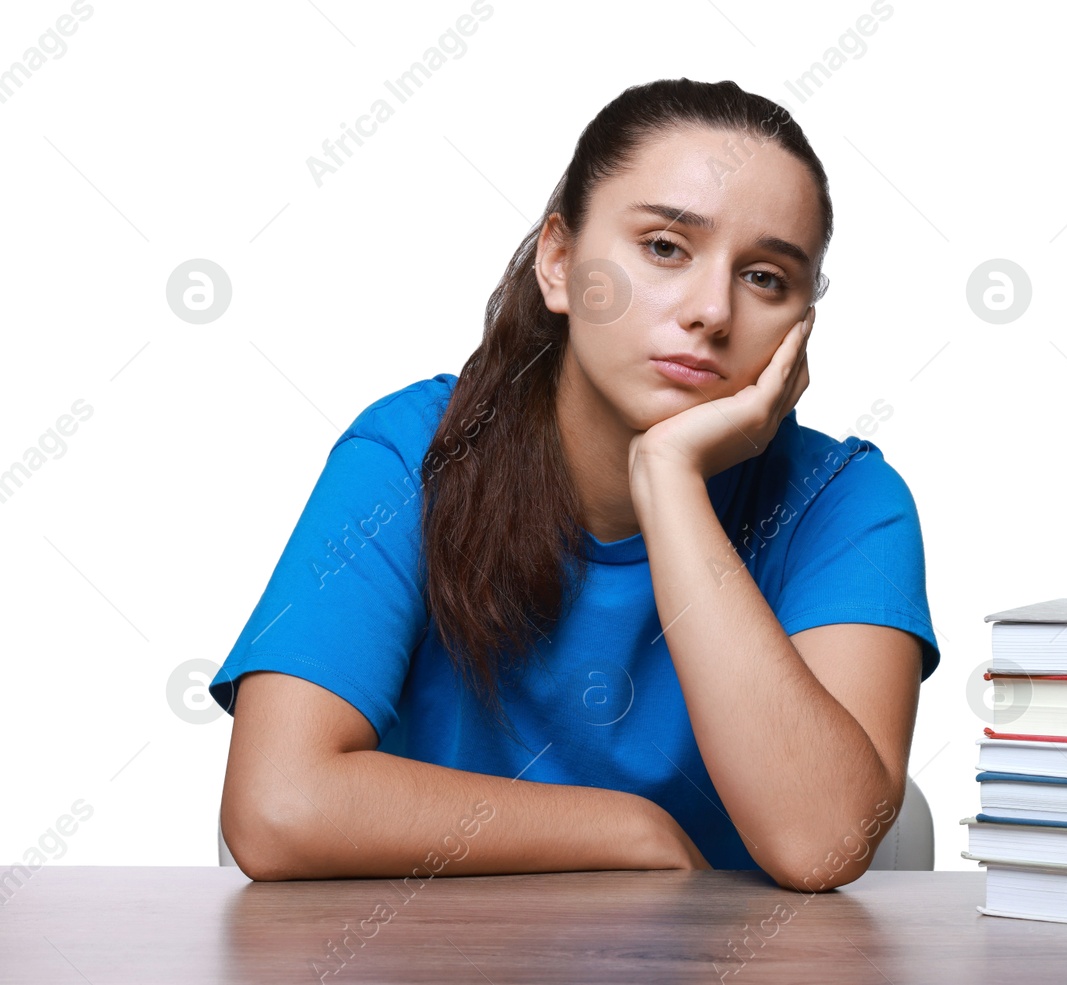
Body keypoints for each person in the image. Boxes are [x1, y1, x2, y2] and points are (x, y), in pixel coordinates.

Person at [211, 78, 940, 892]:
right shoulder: (410, 453)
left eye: (766, 277)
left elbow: (823, 841)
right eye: (665, 247)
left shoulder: (846, 503)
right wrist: (626, 829)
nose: (711, 311)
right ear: (559, 263)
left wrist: (670, 478)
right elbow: (279, 805)